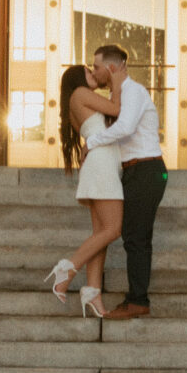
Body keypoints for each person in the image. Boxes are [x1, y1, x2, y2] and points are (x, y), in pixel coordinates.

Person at [86, 40, 166, 319]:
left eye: (96, 67)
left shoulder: (135, 91)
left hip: (147, 170)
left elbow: (126, 127)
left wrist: (92, 142)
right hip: (133, 171)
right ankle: (135, 298)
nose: (94, 71)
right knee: (133, 236)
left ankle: (138, 301)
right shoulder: (119, 96)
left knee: (137, 237)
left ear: (110, 67)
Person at [44, 60, 123, 320]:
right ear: (78, 78)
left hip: (98, 165)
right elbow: (116, 109)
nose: (93, 73)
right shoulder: (81, 93)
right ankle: (67, 269)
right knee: (113, 230)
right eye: (89, 71)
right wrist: (116, 79)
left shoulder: (74, 102)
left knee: (101, 233)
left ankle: (93, 293)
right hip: (102, 166)